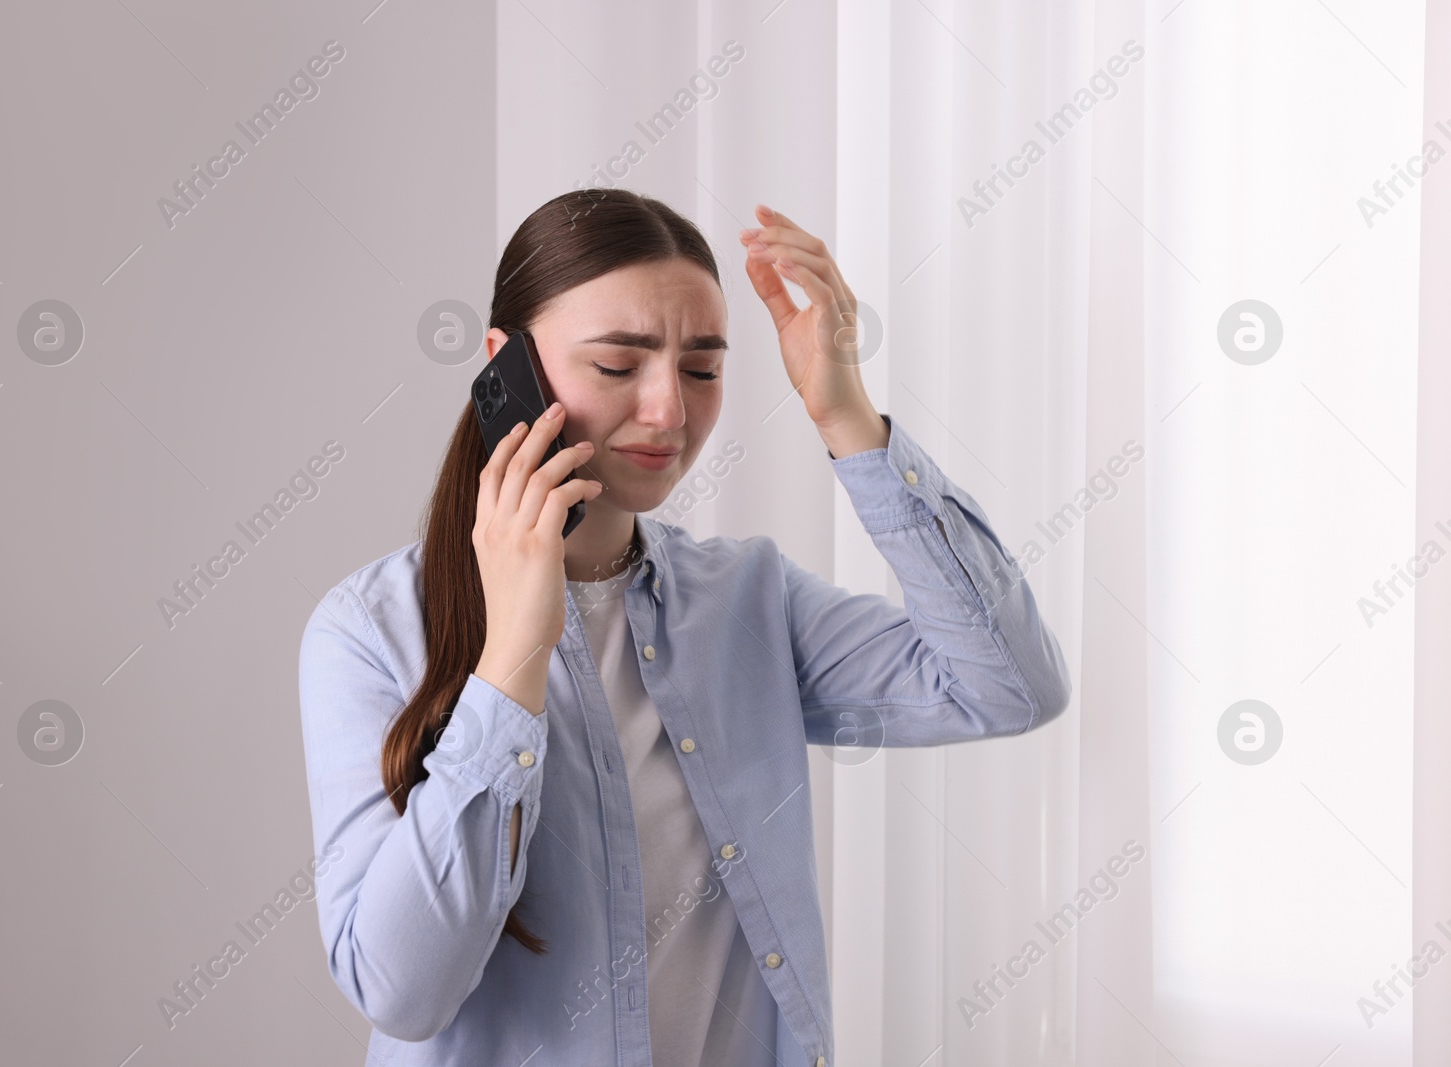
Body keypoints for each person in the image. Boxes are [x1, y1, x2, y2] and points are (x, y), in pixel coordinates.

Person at [297, 188, 1070, 1067]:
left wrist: (849, 419)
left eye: (702, 369)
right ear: (503, 369)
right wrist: (513, 655)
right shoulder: (368, 633)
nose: (669, 410)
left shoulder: (747, 597)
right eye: (619, 367)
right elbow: (401, 991)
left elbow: (1008, 687)